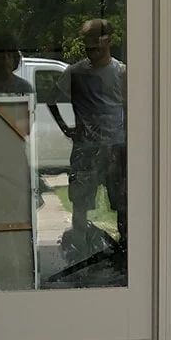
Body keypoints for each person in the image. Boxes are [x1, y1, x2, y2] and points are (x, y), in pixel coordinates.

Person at [50, 17, 127, 260]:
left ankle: (125, 251)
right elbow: (52, 99)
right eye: (88, 46)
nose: (92, 50)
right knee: (81, 203)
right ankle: (81, 252)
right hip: (85, 149)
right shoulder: (75, 72)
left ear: (109, 41)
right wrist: (66, 128)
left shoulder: (121, 72)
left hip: (116, 148)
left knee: (123, 203)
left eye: (97, 45)